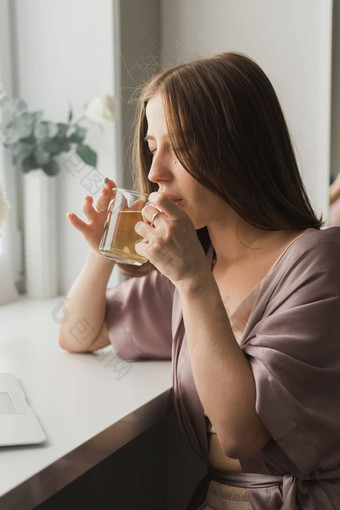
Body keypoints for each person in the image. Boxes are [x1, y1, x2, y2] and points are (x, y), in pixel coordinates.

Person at [61, 52, 340, 509]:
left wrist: (192, 281)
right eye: (153, 147)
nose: (155, 173)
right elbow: (79, 332)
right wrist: (104, 251)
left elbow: (239, 434)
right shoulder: (195, 266)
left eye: (182, 145)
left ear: (240, 147)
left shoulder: (319, 262)